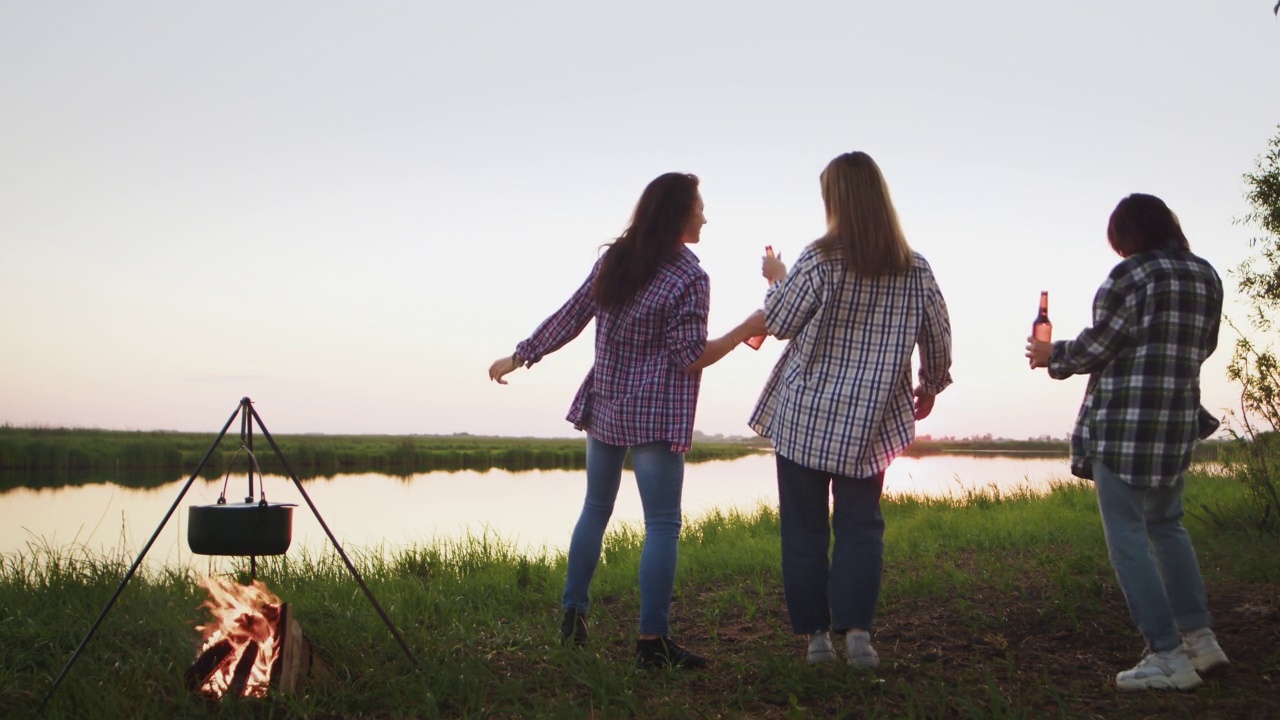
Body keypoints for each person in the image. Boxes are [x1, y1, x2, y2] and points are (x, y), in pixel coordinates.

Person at [488, 172, 766, 669]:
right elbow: (688, 356)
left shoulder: (616, 260)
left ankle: (573, 617)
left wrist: (521, 355)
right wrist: (745, 329)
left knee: (595, 509)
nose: (705, 216)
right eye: (699, 208)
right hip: (656, 413)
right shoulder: (689, 278)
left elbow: (570, 316)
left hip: (609, 404)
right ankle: (651, 643)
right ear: (678, 215)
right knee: (662, 523)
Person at [748, 151, 953, 668]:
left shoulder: (820, 259)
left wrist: (776, 276)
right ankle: (859, 636)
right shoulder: (915, 269)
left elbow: (781, 321)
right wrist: (930, 384)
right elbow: (938, 334)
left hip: (806, 418)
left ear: (834, 202)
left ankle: (817, 641)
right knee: (862, 527)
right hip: (872, 424)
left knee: (804, 530)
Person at [1026, 193, 1228, 691]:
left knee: (1129, 541)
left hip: (1124, 426)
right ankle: (1200, 640)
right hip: (1175, 424)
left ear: (1128, 237)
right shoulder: (1206, 276)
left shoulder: (1129, 276)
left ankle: (1166, 656)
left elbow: (1102, 345)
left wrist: (1053, 354)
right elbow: (1204, 347)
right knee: (1167, 527)